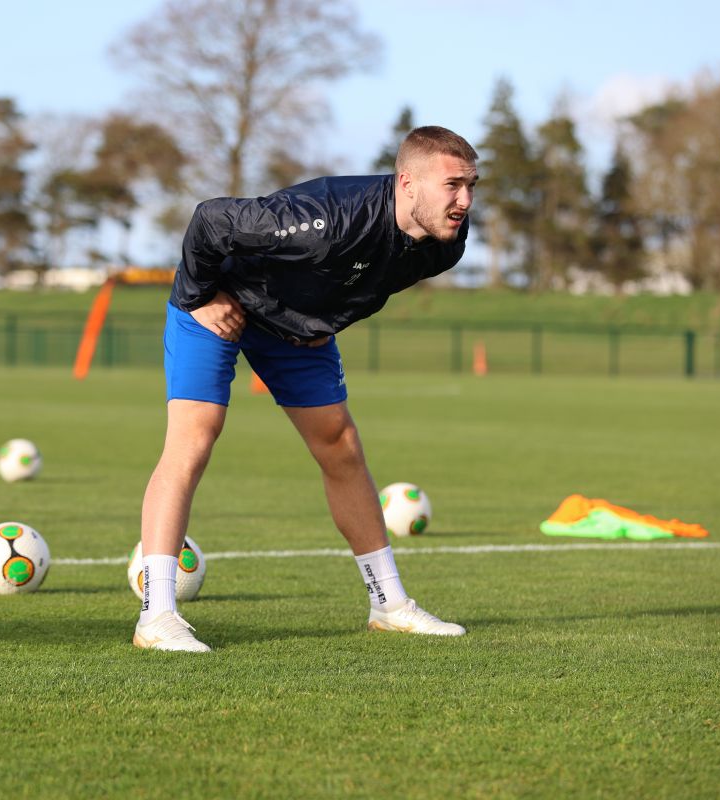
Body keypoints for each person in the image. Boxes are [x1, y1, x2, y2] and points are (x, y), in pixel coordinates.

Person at [133, 126, 479, 652]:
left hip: (294, 329)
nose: (465, 200)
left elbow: (368, 284)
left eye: (472, 185)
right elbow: (210, 220)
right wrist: (201, 295)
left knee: (341, 446)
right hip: (219, 305)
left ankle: (389, 605)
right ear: (408, 183)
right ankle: (156, 617)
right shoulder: (325, 220)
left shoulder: (443, 246)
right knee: (195, 438)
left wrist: (323, 322)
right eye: (453, 185)